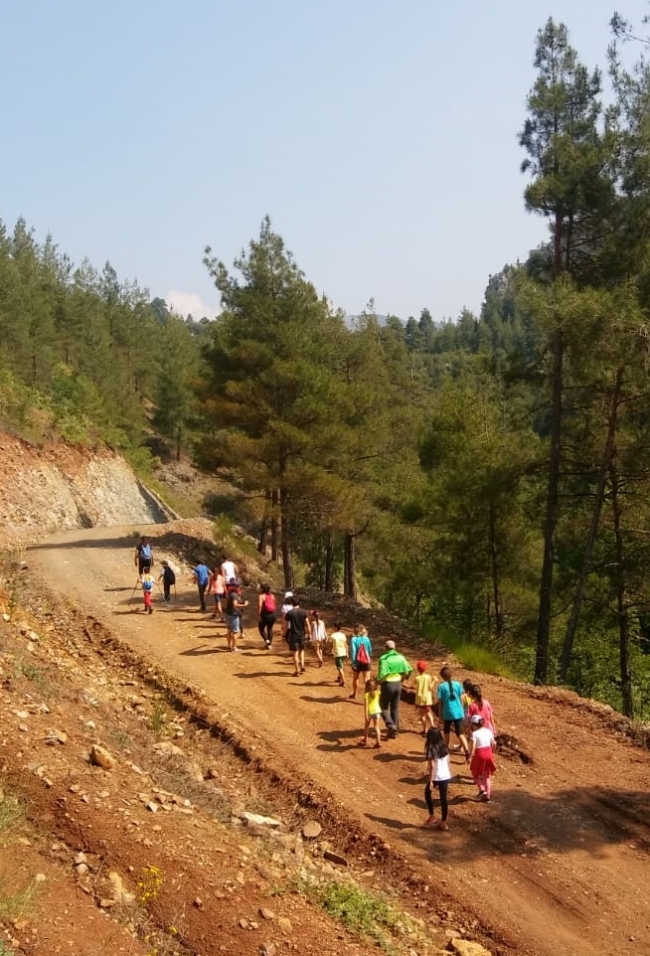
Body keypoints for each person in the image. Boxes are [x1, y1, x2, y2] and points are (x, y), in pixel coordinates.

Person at [377, 640, 413, 738]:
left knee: (382, 707)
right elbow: (409, 670)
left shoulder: (383, 659)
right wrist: (402, 680)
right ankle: (395, 732)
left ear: (385, 648)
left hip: (388, 684)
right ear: (394, 648)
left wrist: (378, 683)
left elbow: (382, 674)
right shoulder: (400, 657)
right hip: (398, 684)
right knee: (395, 708)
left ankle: (390, 725)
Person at [437, 666, 470, 758]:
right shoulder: (458, 684)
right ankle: (467, 750)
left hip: (447, 713)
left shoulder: (441, 686)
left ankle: (446, 749)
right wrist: (462, 709)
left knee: (446, 731)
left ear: (442, 676)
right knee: (460, 733)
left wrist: (440, 717)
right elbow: (461, 698)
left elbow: (440, 703)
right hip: (458, 712)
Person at [424, 727, 452, 830]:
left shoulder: (431, 748)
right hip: (445, 775)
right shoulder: (444, 746)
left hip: (436, 776)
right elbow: (448, 759)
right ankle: (444, 822)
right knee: (443, 799)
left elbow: (431, 765)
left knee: (427, 793)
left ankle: (432, 816)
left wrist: (431, 780)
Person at [469, 714, 497, 803]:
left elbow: (473, 747)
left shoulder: (474, 734)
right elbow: (494, 743)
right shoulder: (488, 731)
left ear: (474, 724)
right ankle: (487, 796)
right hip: (488, 753)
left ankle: (481, 789)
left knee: (475, 772)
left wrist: (470, 756)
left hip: (480, 754)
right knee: (487, 776)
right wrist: (492, 752)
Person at [285, 596, 309, 676]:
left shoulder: (290, 613)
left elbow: (286, 625)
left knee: (295, 652)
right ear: (299, 602)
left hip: (293, 635)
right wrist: (309, 634)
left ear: (292, 603)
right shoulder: (303, 612)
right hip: (302, 634)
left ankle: (297, 670)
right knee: (301, 650)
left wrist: (285, 633)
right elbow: (307, 624)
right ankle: (302, 665)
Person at [349, 625, 372, 699]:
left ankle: (355, 694)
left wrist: (353, 662)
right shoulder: (367, 639)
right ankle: (368, 697)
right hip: (366, 661)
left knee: (356, 678)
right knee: (367, 680)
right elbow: (370, 650)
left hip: (357, 662)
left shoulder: (354, 639)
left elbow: (353, 651)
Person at [359, 677, 382, 749]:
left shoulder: (366, 695)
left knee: (366, 726)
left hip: (370, 712)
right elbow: (379, 686)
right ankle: (378, 742)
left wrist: (366, 716)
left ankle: (365, 739)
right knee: (376, 727)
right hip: (377, 711)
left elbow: (366, 706)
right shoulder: (378, 692)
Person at [224, 585, 248, 652]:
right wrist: (244, 605)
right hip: (233, 615)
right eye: (237, 586)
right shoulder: (234, 595)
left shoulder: (229, 593)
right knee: (235, 632)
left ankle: (229, 646)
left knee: (229, 630)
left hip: (228, 614)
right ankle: (234, 647)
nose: (238, 588)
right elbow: (235, 605)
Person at [414, 661, 436, 735]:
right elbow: (430, 688)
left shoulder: (417, 678)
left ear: (418, 669)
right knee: (429, 713)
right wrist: (434, 681)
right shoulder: (428, 677)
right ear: (425, 669)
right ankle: (432, 726)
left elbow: (413, 686)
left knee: (422, 715)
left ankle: (425, 730)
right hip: (427, 699)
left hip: (420, 699)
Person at [330, 623, 348, 687]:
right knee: (341, 665)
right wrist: (347, 653)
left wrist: (331, 651)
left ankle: (343, 682)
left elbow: (331, 645)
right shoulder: (343, 635)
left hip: (337, 653)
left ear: (335, 628)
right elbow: (346, 644)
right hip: (343, 652)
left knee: (340, 668)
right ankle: (339, 678)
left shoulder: (333, 635)